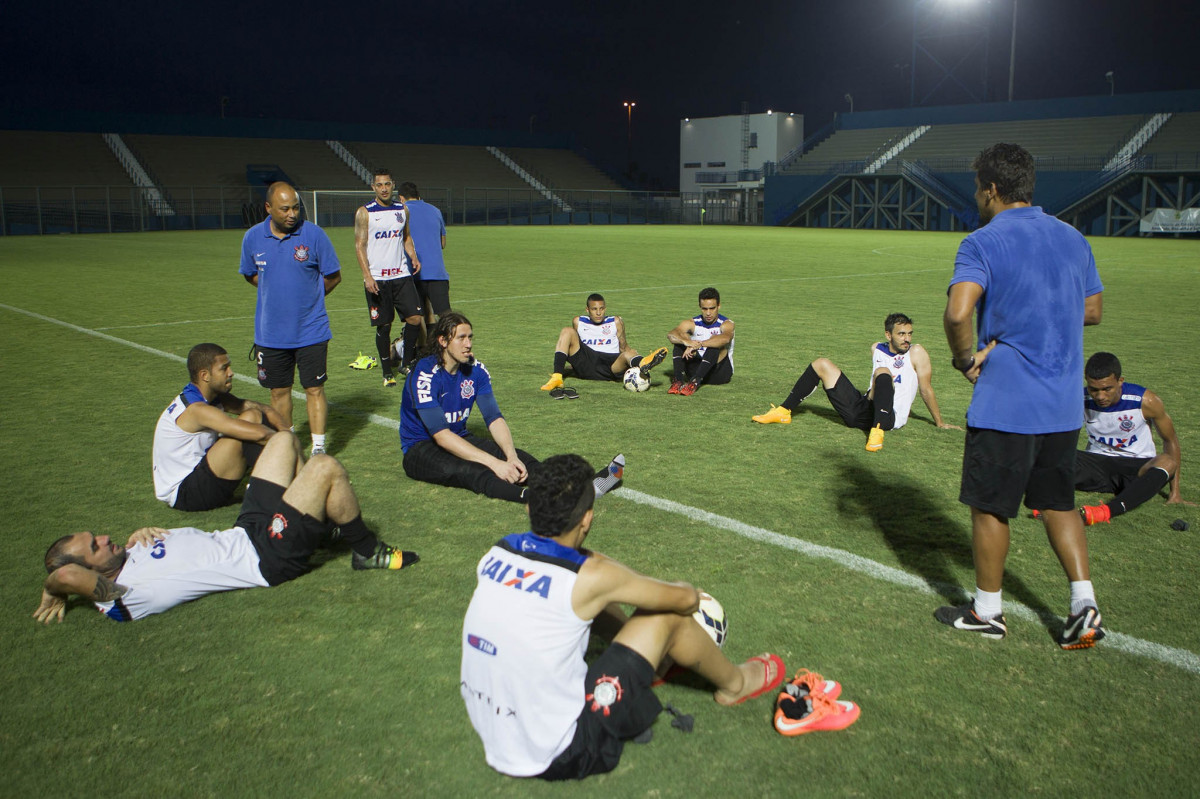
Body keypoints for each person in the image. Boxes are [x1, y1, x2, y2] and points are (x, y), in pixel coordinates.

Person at [460, 454, 860, 779]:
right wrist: (684, 590)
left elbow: (578, 583)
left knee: (592, 605)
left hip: (491, 732)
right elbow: (683, 600)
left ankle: (652, 666)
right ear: (586, 519)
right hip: (561, 751)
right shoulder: (592, 575)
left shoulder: (498, 551)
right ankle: (737, 683)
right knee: (668, 616)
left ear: (531, 508)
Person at [940, 142, 1105, 650]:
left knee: (990, 506)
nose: (976, 196)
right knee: (1058, 503)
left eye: (977, 188)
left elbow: (957, 313)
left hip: (1008, 401)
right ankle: (1084, 604)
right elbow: (1093, 310)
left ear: (991, 189)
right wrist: (1041, 318)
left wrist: (966, 359)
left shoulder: (983, 242)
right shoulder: (1073, 237)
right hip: (1061, 404)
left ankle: (988, 611)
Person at [33, 432, 417, 624]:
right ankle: (366, 551)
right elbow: (65, 573)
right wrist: (55, 591)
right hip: (264, 558)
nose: (103, 538)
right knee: (325, 467)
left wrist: (138, 536)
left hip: (245, 530)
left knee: (283, 440)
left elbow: (86, 565)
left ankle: (315, 527)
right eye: (94, 547)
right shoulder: (122, 598)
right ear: (85, 574)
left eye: (94, 536)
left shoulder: (129, 554)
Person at [401, 312, 626, 502]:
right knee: (472, 471)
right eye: (461, 338)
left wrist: (509, 456)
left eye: (470, 337)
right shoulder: (425, 374)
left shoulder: (476, 370)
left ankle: (586, 488)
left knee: (521, 461)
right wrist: (496, 465)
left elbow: (494, 417)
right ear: (443, 341)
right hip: (420, 448)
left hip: (458, 436)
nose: (468, 344)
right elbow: (441, 437)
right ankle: (536, 499)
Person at [751, 313, 961, 451]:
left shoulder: (917, 352)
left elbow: (926, 389)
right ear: (888, 335)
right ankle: (783, 411)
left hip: (890, 417)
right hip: (861, 411)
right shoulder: (876, 348)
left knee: (882, 371)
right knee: (822, 363)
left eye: (909, 333)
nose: (907, 338)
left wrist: (940, 422)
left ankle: (877, 433)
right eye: (901, 334)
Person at [239, 181, 341, 456]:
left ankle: (318, 448)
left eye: (296, 207)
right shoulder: (252, 237)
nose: (292, 214)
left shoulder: (315, 235)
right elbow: (250, 273)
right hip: (271, 333)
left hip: (311, 330)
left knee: (314, 388)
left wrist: (310, 298)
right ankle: (288, 444)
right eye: (284, 209)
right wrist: (276, 290)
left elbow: (333, 275)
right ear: (268, 208)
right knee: (278, 393)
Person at [152, 343, 287, 511]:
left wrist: (287, 433)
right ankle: (281, 488)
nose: (231, 373)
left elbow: (264, 410)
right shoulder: (197, 410)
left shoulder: (211, 396)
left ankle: (271, 483)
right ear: (205, 375)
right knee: (245, 434)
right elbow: (260, 435)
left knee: (252, 415)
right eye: (224, 369)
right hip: (185, 493)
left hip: (201, 473)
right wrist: (288, 445)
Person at [1071, 351, 1192, 524]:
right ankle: (1049, 503)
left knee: (1167, 462)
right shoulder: (1080, 399)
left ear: (1120, 381)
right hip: (1096, 464)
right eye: (1094, 389)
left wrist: (1175, 493)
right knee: (1049, 453)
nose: (1100, 396)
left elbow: (1170, 440)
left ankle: (1105, 512)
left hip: (1136, 468)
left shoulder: (1146, 401)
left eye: (1107, 389)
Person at [354, 169, 423, 388]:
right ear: (373, 187)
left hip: (401, 275)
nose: (384, 188)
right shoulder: (365, 212)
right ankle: (386, 372)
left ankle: (405, 362)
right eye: (379, 185)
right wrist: (367, 276)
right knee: (384, 325)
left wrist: (413, 256)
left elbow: (406, 236)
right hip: (378, 279)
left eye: (387, 184)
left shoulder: (402, 209)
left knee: (414, 318)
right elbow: (360, 245)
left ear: (393, 185)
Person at [539, 293, 668, 398]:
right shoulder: (578, 321)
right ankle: (557, 377)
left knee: (629, 354)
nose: (598, 312)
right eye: (594, 309)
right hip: (586, 361)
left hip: (610, 364)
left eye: (601, 309)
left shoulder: (615, 321)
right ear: (587, 310)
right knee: (567, 331)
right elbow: (573, 345)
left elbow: (623, 347)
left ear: (605, 308)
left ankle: (644, 362)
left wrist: (633, 354)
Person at [399, 181, 449, 329]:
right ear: (418, 196)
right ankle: (451, 348)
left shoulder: (401, 212)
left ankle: (422, 350)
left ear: (401, 198)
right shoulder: (435, 210)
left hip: (413, 272)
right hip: (437, 272)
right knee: (445, 316)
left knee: (416, 317)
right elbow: (443, 243)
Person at [666, 287, 734, 395]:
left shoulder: (726, 323)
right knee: (679, 342)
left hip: (719, 373)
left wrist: (699, 344)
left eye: (712, 308)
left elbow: (725, 338)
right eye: (704, 309)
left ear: (719, 306)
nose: (708, 313)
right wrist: (686, 342)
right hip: (697, 368)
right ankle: (678, 381)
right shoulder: (692, 322)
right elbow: (671, 334)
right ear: (700, 307)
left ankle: (695, 382)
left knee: (715, 344)